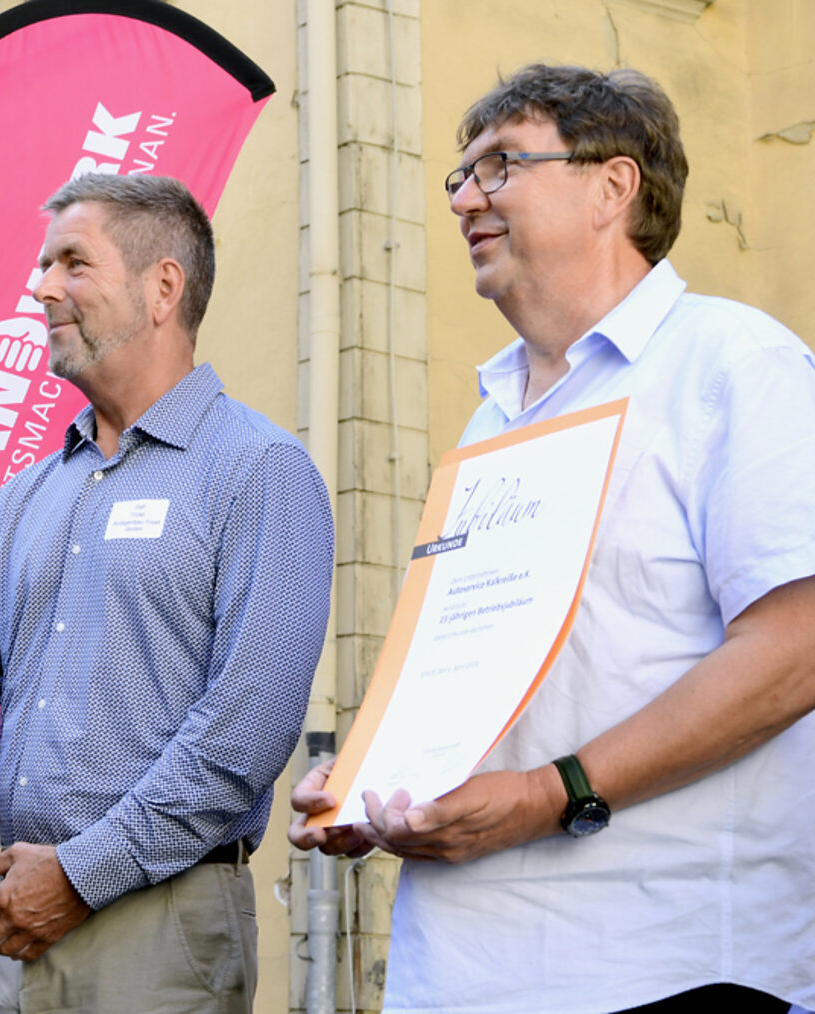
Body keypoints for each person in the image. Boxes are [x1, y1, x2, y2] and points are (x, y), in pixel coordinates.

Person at [290, 64, 815, 1013]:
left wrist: (550, 794)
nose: (465, 200)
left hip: (662, 966)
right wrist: (379, 784)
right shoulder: (492, 417)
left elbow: (797, 647)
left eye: (500, 166)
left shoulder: (735, 363)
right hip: (456, 974)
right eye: (460, 177)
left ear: (613, 187)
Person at [0, 173, 335, 1013]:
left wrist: (81, 875)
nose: (41, 288)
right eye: (44, 265)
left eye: (72, 263)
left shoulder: (260, 471)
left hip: (159, 925)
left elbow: (245, 733)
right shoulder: (24, 495)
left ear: (162, 287)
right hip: (11, 923)